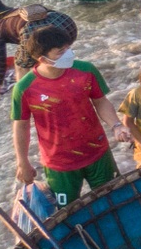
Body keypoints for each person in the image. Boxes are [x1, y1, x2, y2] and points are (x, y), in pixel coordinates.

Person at [10, 24, 118, 205]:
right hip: (59, 163)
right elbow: (21, 126)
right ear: (41, 58)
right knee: (68, 212)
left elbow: (100, 101)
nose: (68, 54)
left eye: (68, 48)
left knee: (115, 200)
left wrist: (116, 125)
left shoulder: (86, 70)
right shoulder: (25, 88)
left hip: (98, 152)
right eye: (60, 52)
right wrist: (22, 162)